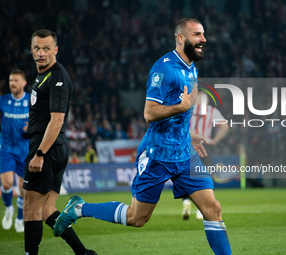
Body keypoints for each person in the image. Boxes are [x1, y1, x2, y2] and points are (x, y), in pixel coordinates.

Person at [54, 19, 232, 255]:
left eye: (203, 34)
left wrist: (190, 134)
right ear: (181, 38)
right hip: (158, 154)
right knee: (136, 218)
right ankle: (79, 208)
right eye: (197, 34)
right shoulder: (164, 69)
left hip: (184, 153)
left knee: (213, 209)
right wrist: (179, 108)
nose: (204, 39)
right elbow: (149, 113)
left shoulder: (191, 68)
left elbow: (184, 110)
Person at [23, 29, 96, 255]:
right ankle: (83, 253)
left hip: (47, 148)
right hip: (55, 147)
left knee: (30, 208)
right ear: (32, 49)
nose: (41, 53)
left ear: (55, 50)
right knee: (46, 210)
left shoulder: (57, 77)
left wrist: (40, 153)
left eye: (46, 49)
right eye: (37, 48)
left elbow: (57, 119)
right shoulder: (43, 75)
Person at [183, 90, 229, 220]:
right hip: (205, 146)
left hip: (187, 146)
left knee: (184, 176)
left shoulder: (188, 109)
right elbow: (225, 126)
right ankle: (201, 209)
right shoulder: (211, 111)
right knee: (203, 177)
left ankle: (186, 200)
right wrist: (214, 140)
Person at [0, 69, 30, 233]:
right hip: (7, 148)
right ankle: (8, 209)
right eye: (11, 80)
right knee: (6, 183)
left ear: (24, 83)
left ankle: (19, 218)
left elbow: (40, 122)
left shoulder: (31, 101)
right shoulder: (3, 101)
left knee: (23, 189)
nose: (13, 83)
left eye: (16, 80)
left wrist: (30, 129)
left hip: (25, 149)